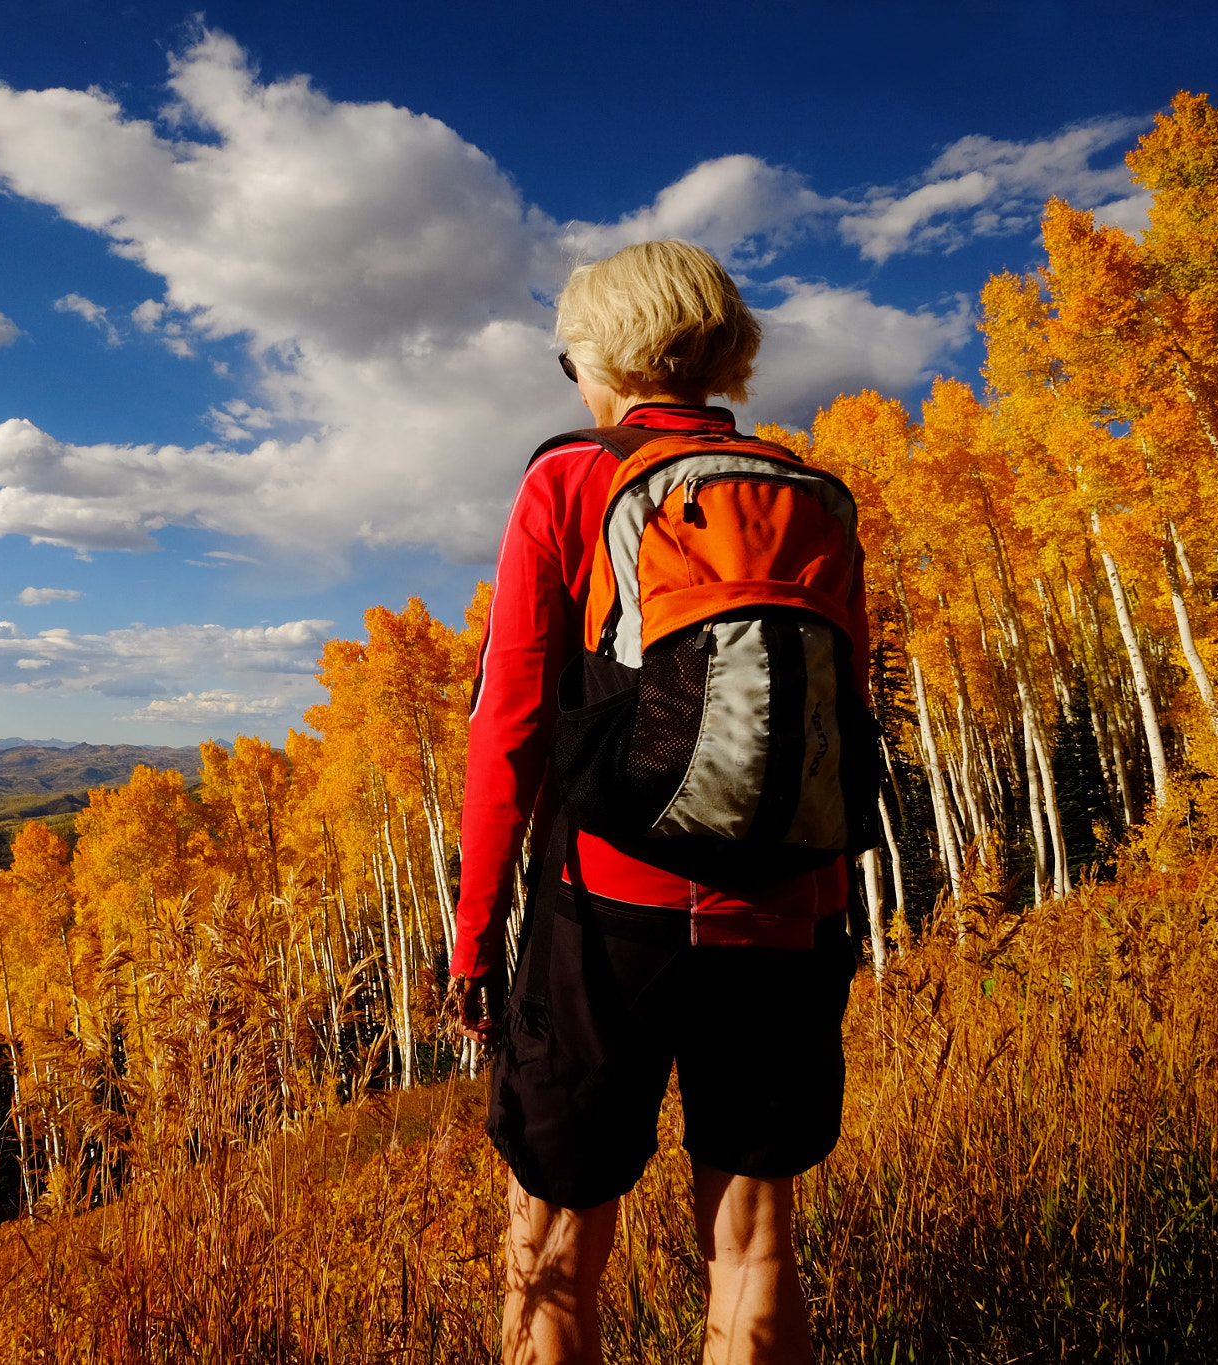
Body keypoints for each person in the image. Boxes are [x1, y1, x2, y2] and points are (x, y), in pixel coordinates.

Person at [449, 240, 864, 1365]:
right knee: (751, 1245)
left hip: (609, 911)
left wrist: (475, 932)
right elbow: (838, 725)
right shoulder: (812, 495)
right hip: (789, 908)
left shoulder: (571, 477)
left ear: (605, 360)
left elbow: (509, 725)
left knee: (548, 1246)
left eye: (565, 358)